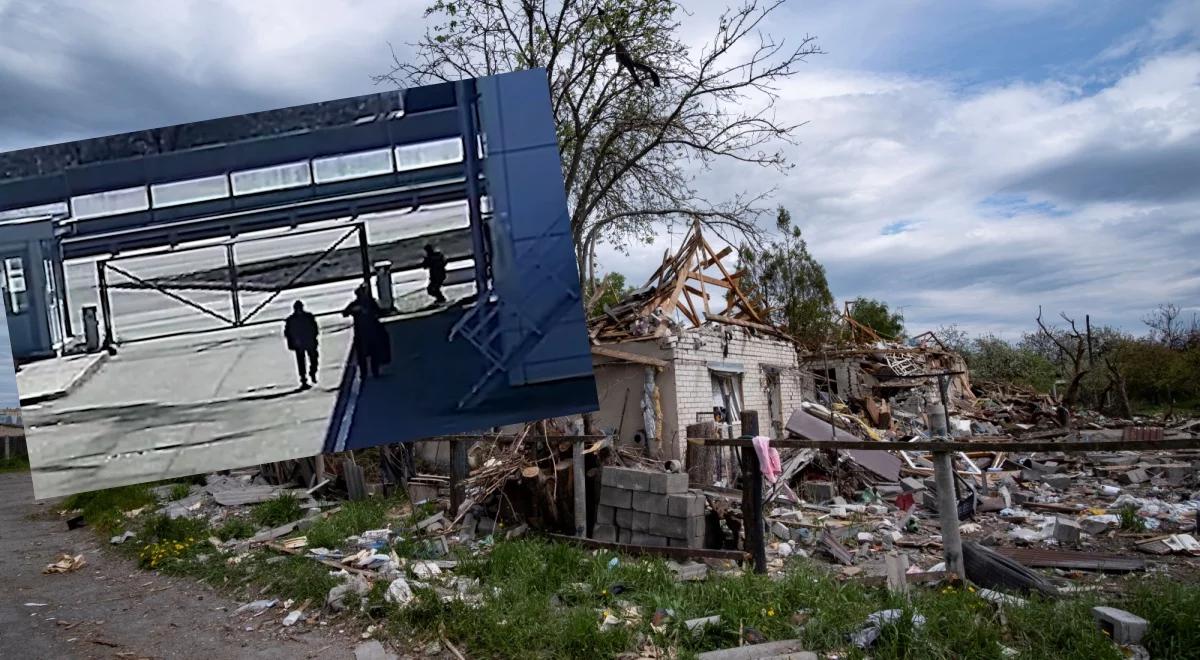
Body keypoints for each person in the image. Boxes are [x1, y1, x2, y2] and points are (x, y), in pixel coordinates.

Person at [342, 285, 391, 379]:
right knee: (364, 354)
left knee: (372, 353)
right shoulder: (358, 304)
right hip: (363, 333)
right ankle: (366, 372)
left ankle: (372, 371)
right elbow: (345, 313)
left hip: (370, 332)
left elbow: (379, 312)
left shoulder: (370, 303)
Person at [284, 300, 319, 389]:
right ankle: (304, 379)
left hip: (307, 341)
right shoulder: (292, 319)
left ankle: (312, 372)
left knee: (313, 359)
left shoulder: (308, 317)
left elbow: (315, 328)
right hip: (300, 343)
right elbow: (288, 333)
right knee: (301, 363)